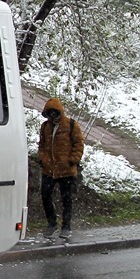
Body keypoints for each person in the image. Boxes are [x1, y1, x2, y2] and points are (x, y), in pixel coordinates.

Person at [37, 97, 85, 239]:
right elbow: (42, 145)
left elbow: (79, 144)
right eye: (49, 113)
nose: (52, 116)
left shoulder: (71, 125)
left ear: (59, 112)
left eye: (54, 113)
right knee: (45, 196)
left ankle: (66, 226)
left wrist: (73, 160)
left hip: (66, 170)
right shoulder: (45, 127)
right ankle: (52, 223)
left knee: (67, 200)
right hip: (49, 169)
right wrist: (43, 159)